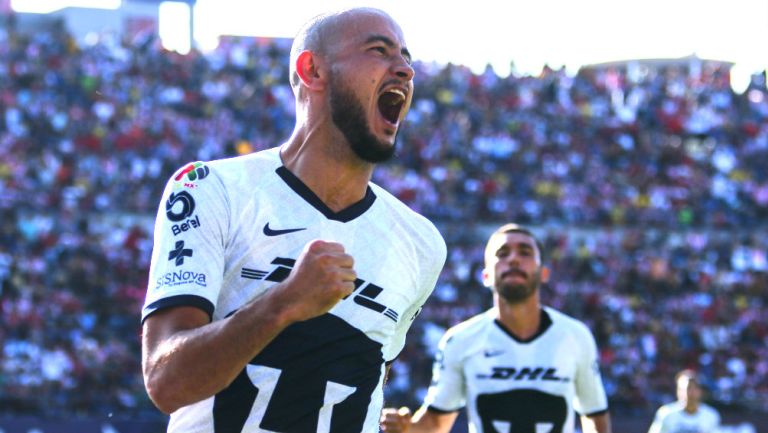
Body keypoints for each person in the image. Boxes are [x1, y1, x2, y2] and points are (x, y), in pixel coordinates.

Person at [140, 7, 446, 433]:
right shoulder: (208, 187)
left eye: (407, 58)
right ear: (312, 69)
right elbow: (166, 382)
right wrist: (281, 304)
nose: (404, 70)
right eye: (379, 50)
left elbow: (363, 375)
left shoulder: (421, 242)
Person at [381, 223, 612, 433]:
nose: (513, 259)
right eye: (502, 254)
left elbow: (595, 416)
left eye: (525, 252)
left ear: (544, 273)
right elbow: (437, 423)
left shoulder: (575, 336)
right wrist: (407, 428)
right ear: (486, 275)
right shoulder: (460, 340)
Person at [647, 369, 721, 433]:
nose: (689, 393)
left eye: (693, 388)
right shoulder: (666, 413)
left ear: (700, 391)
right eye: (685, 389)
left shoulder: (711, 415)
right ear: (677, 391)